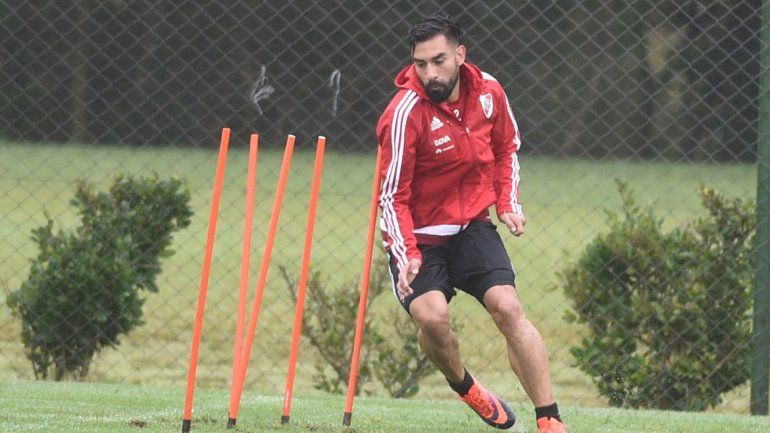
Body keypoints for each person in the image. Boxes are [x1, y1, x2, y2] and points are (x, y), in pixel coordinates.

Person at [375, 13, 568, 433]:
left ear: (460, 55)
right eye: (420, 64)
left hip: (471, 228)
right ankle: (465, 385)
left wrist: (507, 202)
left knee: (508, 307)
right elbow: (391, 196)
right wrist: (406, 254)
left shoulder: (489, 92)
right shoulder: (404, 113)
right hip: (420, 239)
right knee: (432, 318)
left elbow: (506, 149)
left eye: (439, 61)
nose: (430, 73)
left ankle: (549, 419)